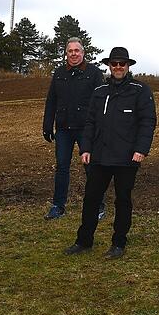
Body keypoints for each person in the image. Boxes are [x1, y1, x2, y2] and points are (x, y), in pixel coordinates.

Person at [64, 47, 157, 259]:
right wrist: (85, 148)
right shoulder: (99, 92)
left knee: (123, 200)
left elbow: (148, 122)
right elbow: (90, 122)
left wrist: (141, 150)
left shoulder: (140, 90)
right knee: (91, 199)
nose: (117, 67)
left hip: (127, 158)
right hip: (100, 156)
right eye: (114, 64)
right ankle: (84, 240)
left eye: (121, 64)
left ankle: (119, 243)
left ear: (128, 66)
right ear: (109, 66)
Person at [42, 37, 105, 220]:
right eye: (70, 51)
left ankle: (98, 204)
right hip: (63, 129)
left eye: (77, 51)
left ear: (83, 53)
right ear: (66, 54)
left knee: (91, 167)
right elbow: (51, 100)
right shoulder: (59, 73)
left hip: (86, 129)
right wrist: (47, 125)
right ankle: (58, 206)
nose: (74, 54)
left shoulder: (93, 73)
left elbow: (101, 102)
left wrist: (99, 128)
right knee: (62, 167)